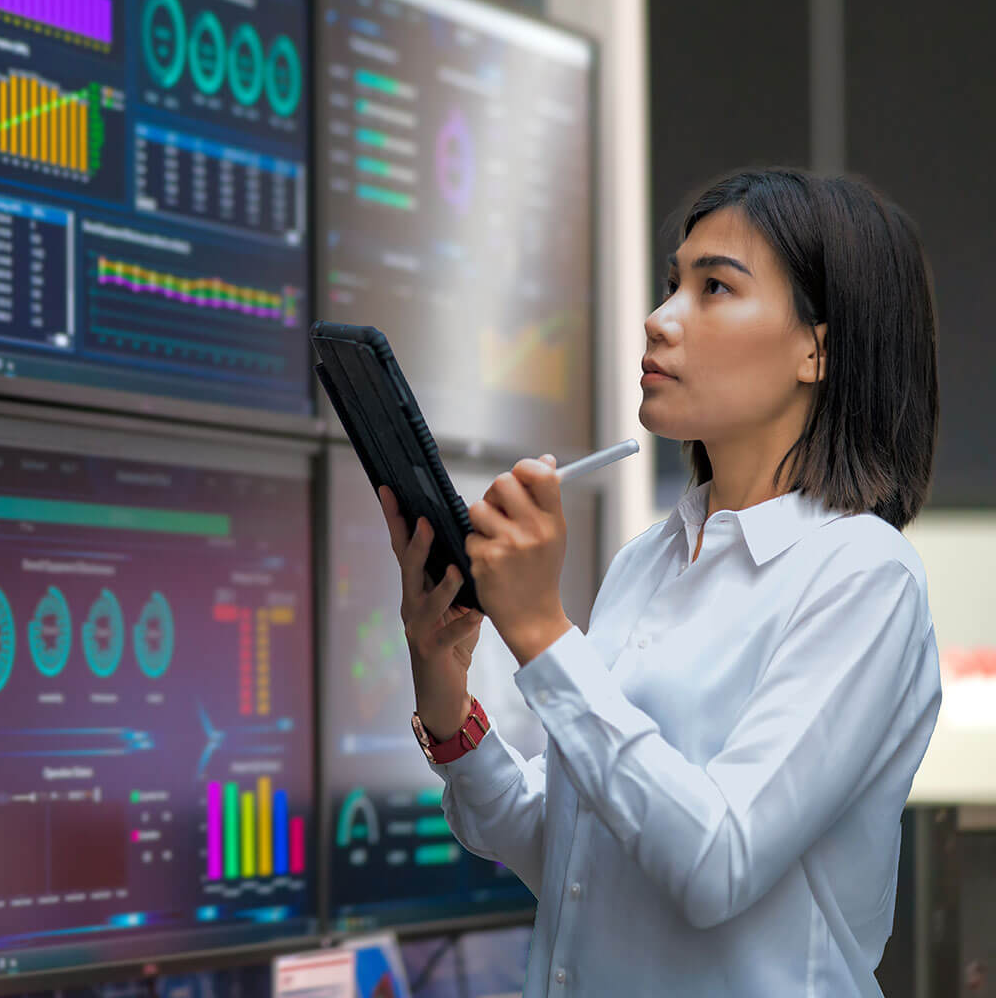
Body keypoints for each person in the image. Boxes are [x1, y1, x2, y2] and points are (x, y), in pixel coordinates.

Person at [381, 168, 941, 996]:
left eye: (715, 287)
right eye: (672, 283)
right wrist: (446, 694)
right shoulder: (648, 559)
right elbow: (573, 861)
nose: (659, 319)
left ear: (816, 349)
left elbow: (717, 864)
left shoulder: (865, 575)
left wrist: (541, 632)